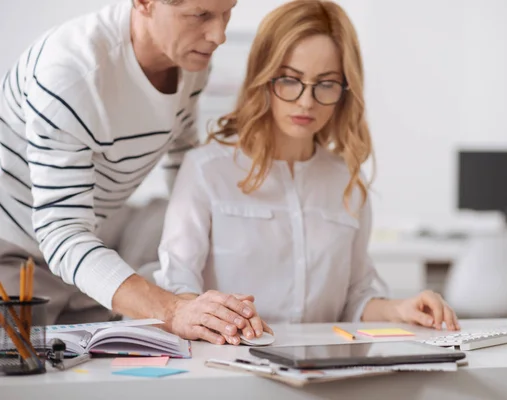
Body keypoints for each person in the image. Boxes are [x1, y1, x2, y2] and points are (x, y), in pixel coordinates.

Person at [155, 0, 460, 346]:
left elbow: (355, 298)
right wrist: (216, 315)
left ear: (345, 91)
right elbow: (176, 290)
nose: (306, 102)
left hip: (325, 369)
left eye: (326, 83)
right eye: (290, 80)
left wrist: (400, 309)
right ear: (263, 77)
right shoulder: (207, 171)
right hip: (230, 362)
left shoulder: (347, 182)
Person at [0, 0, 267, 344]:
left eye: (227, 12)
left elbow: (182, 162)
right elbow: (62, 233)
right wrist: (172, 309)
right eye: (200, 15)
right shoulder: (70, 73)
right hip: (13, 254)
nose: (219, 35)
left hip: (83, 254)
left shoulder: (191, 59)